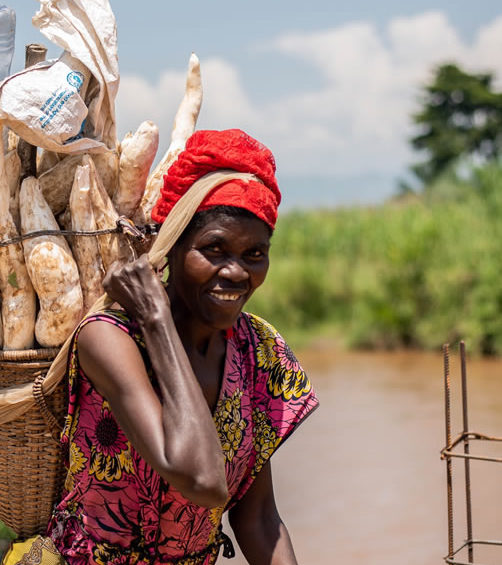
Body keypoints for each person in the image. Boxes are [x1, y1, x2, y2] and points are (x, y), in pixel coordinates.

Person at [16, 129, 319, 565]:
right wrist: (157, 320)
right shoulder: (110, 338)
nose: (236, 272)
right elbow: (202, 479)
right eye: (214, 249)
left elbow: (258, 520)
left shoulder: (258, 352)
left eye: (254, 254)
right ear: (171, 246)